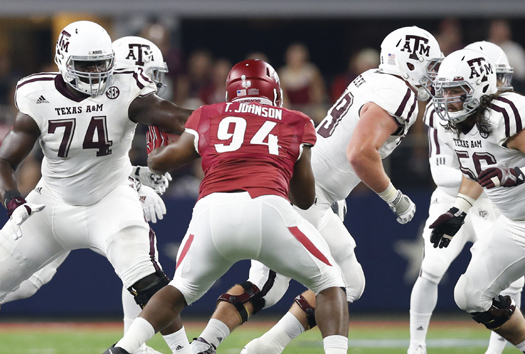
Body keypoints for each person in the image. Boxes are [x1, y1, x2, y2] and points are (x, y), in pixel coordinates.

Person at [0, 21, 192, 354]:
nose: (96, 73)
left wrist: (224, 118)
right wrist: (14, 202)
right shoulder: (38, 96)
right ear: (63, 60)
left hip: (110, 200)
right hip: (52, 204)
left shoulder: (125, 88)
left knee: (149, 282)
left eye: (102, 64)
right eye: (86, 65)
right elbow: (2, 163)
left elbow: (179, 118)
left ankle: (186, 351)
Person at [185, 26, 443, 354]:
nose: (433, 75)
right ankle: (218, 345)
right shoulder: (399, 92)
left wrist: (336, 193)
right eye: (430, 65)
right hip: (304, 191)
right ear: (411, 63)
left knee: (325, 282)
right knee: (287, 284)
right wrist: (395, 197)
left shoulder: (375, 79)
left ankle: (253, 346)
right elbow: (360, 153)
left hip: (311, 188)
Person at [108, 58, 349, 354]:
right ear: (274, 91)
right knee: (330, 281)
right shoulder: (295, 120)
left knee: (181, 288)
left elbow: (160, 162)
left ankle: (124, 348)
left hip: (211, 212)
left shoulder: (209, 114)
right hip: (267, 208)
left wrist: (156, 142)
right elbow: (303, 197)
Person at [408, 41, 524, 354]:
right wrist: (459, 210)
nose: (447, 99)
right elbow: (479, 170)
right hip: (515, 222)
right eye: (443, 91)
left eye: (455, 91)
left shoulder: (507, 113)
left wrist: (515, 175)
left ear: (480, 87)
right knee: (470, 296)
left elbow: (501, 169)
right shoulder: (461, 121)